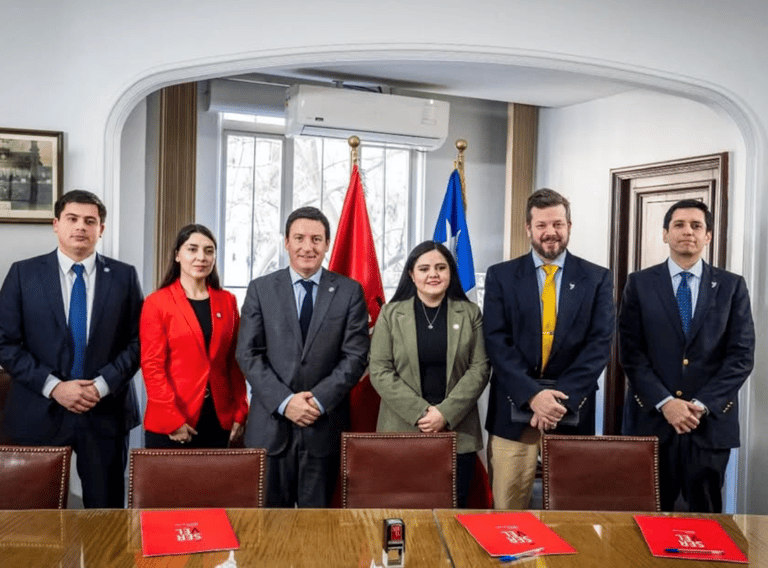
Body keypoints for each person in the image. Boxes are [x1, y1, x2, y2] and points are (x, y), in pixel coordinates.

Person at [0, 189, 143, 508]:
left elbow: (139, 342)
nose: (81, 226)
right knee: (34, 519)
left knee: (104, 516)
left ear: (100, 229)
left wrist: (102, 386)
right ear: (56, 224)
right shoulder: (23, 274)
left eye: (90, 221)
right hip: (38, 411)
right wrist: (54, 387)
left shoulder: (124, 276)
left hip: (105, 411)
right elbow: (5, 343)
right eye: (72, 219)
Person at [620, 199, 754, 513]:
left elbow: (741, 356)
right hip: (652, 422)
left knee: (705, 522)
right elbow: (631, 353)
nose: (688, 232)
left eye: (696, 225)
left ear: (708, 236)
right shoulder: (639, 284)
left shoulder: (732, 286)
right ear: (665, 233)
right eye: (679, 225)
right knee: (646, 518)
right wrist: (666, 403)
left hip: (708, 425)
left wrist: (700, 405)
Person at [483, 188, 614, 509]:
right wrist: (533, 395)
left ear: (569, 226)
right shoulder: (501, 276)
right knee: (507, 512)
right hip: (512, 410)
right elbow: (497, 341)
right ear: (528, 228)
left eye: (558, 224)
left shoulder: (597, 278)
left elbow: (599, 345)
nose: (550, 232)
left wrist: (555, 401)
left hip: (571, 409)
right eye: (541, 225)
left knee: (570, 512)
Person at [236, 206, 369, 507]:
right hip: (270, 429)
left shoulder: (349, 292)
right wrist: (286, 402)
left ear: (327, 244)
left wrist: (316, 401)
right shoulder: (261, 289)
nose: (307, 247)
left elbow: (355, 356)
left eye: (316, 239)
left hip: (324, 428)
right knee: (269, 527)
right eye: (299, 238)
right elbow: (248, 354)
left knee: (319, 528)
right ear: (286, 242)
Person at [369, 241, 489, 508]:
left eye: (440, 268)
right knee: (402, 513)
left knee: (453, 513)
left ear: (450, 273)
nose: (433, 274)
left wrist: (444, 414)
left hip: (457, 431)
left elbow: (480, 369)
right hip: (402, 429)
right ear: (411, 275)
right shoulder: (391, 314)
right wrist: (422, 413)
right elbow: (379, 370)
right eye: (424, 268)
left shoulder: (470, 313)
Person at [140, 224, 248, 448]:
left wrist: (241, 411)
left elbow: (234, 363)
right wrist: (172, 419)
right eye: (192, 249)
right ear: (177, 255)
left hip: (219, 420)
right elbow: (152, 367)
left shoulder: (227, 301)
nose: (201, 257)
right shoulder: (157, 302)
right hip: (173, 421)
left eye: (209, 251)